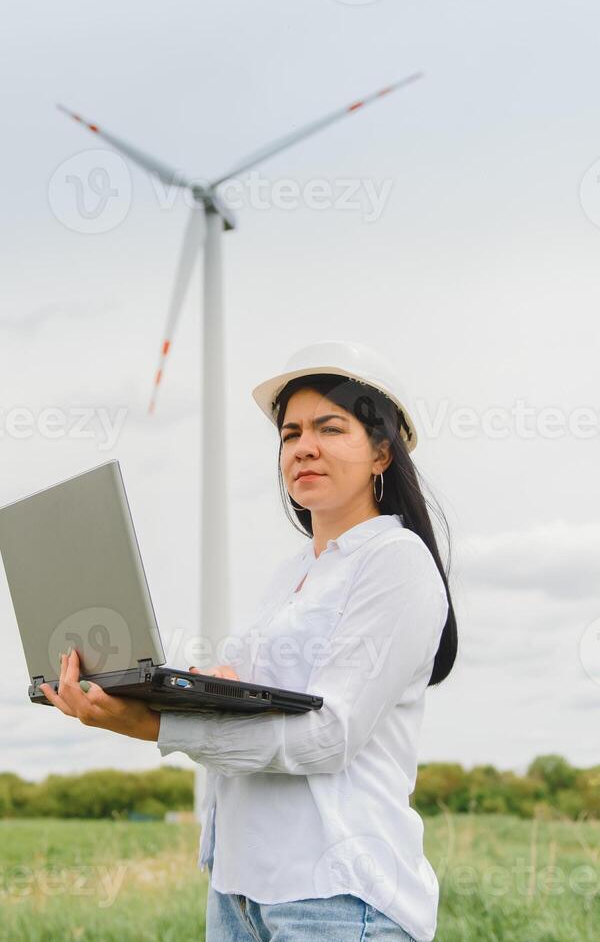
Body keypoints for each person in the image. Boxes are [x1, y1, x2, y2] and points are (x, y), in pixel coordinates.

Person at [40, 340, 458, 942]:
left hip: (334, 896)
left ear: (382, 451)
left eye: (330, 428)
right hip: (239, 889)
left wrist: (155, 726)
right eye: (289, 434)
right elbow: (243, 693)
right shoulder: (289, 574)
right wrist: (159, 688)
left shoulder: (395, 562)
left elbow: (328, 737)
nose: (303, 447)